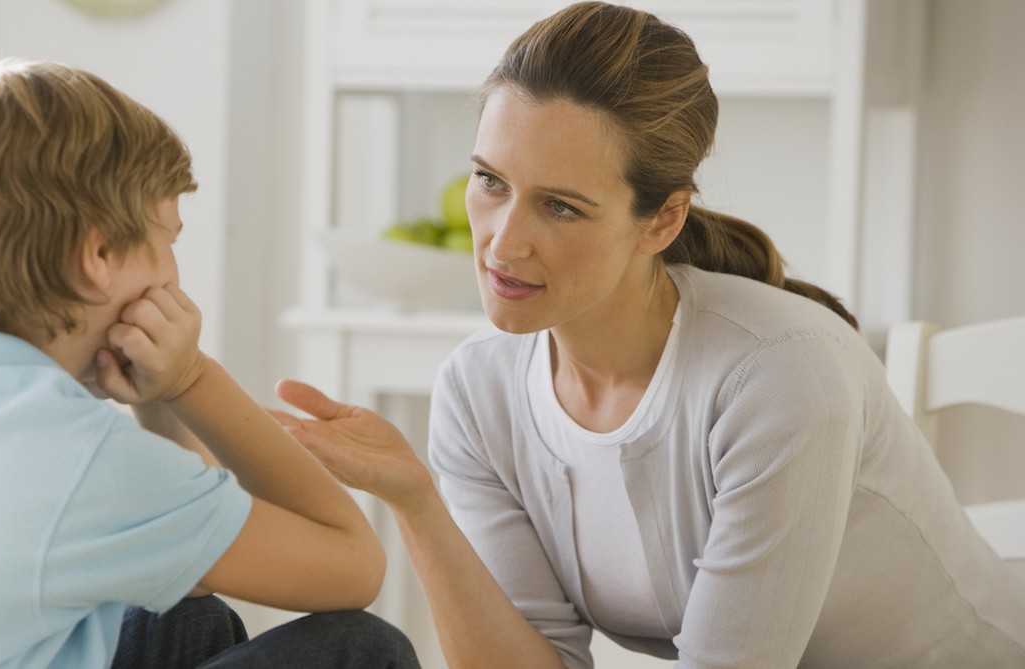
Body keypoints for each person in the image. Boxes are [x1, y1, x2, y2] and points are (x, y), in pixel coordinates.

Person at [271, 3, 1025, 668]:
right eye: (490, 181)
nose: (501, 243)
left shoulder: (780, 376)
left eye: (560, 206)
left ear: (662, 218)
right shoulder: (479, 390)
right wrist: (416, 502)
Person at [0, 54, 419, 669]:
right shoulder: (79, 460)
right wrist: (190, 381)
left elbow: (196, 558)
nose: (174, 274)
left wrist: (151, 398)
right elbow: (354, 564)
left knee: (185, 615)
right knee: (363, 648)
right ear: (98, 259)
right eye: (166, 240)